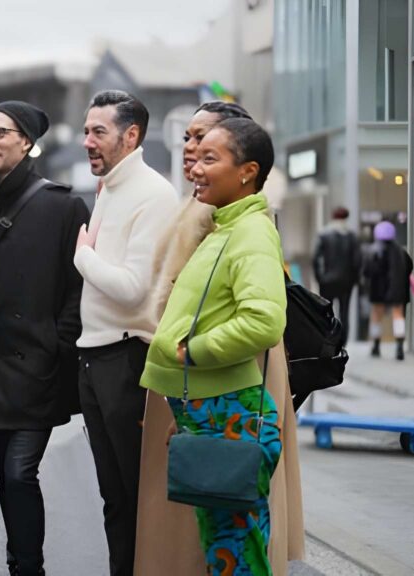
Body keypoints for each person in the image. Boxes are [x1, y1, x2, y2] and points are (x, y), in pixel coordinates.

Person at [134, 102, 305, 576]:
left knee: (237, 552)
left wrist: (195, 352)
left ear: (247, 172)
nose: (197, 167)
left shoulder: (249, 231)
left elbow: (264, 320)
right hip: (212, 409)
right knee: (225, 549)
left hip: (230, 413)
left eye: (211, 159)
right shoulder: (226, 224)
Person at [0, 101, 90, 576]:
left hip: (41, 367)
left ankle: (29, 568)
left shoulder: (63, 205)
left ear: (27, 142)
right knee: (5, 478)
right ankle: (20, 562)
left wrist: (60, 342)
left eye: (1, 133)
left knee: (19, 472)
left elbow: (78, 285)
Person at [73, 90, 177, 576]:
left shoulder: (153, 195)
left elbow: (134, 291)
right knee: (115, 497)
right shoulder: (111, 187)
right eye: (86, 130)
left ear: (131, 135)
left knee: (136, 498)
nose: (86, 141)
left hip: (126, 362)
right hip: (96, 361)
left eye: (99, 131)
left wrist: (84, 257)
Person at [364, 220, 413, 360]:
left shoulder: (373, 250)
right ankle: (399, 347)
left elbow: (366, 271)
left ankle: (376, 346)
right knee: (398, 316)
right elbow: (409, 267)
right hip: (397, 289)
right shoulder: (401, 251)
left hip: (378, 289)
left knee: (376, 316)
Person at [313, 207, 362, 345]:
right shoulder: (352, 236)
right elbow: (357, 260)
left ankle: (328, 338)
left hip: (327, 280)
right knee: (345, 312)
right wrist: (355, 279)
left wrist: (320, 277)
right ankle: (343, 341)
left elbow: (316, 258)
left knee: (326, 311)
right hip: (346, 281)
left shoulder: (324, 234)